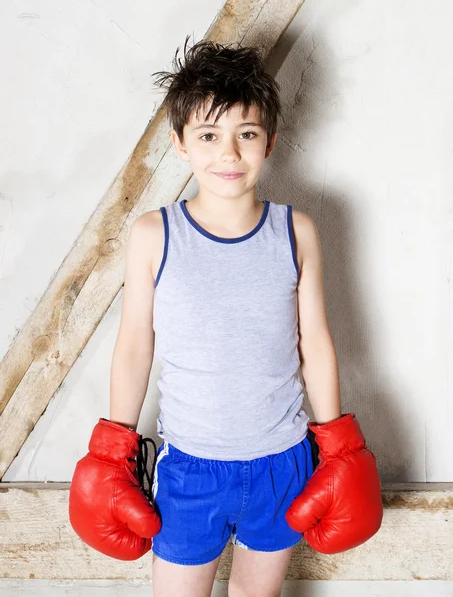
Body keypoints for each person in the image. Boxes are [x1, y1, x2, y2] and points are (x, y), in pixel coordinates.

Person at [69, 36, 383, 597]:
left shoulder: (297, 231)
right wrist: (113, 451)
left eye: (247, 134)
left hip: (281, 463)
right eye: (209, 136)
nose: (229, 154)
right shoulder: (153, 235)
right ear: (180, 144)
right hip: (191, 466)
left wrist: (339, 448)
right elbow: (136, 346)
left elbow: (316, 343)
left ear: (270, 142)